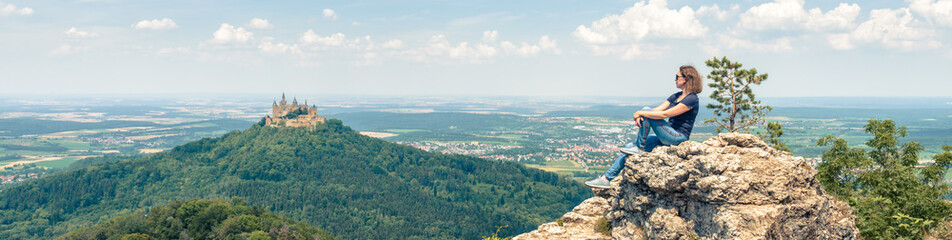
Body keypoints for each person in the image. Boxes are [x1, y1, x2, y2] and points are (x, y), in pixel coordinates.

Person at [585, 65, 703, 189]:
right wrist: (640, 114)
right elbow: (656, 110)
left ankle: (640, 147)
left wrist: (642, 113)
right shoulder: (675, 96)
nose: (675, 79)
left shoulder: (692, 99)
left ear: (685, 79)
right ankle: (606, 179)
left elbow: (665, 114)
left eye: (677, 76)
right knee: (629, 147)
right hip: (666, 134)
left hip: (678, 137)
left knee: (646, 111)